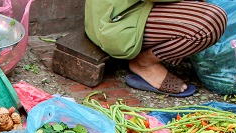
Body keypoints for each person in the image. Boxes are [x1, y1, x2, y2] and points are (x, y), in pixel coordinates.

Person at [85, 0, 227, 97]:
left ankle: (170, 45)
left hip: (136, 7)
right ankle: (144, 63)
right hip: (116, 22)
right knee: (211, 21)